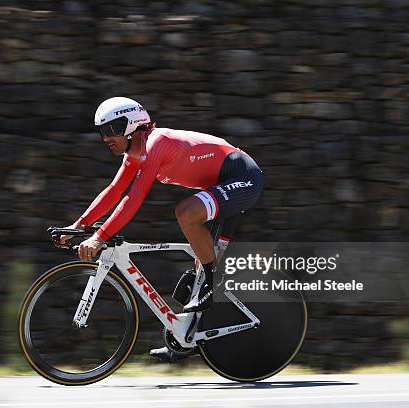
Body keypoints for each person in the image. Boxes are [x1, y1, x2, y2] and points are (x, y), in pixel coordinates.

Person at [60, 96, 264, 361]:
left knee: (186, 213)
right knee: (195, 274)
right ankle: (183, 340)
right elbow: (114, 191)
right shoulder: (135, 156)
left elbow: (133, 199)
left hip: (243, 177)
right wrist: (79, 226)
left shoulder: (156, 143)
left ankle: (215, 282)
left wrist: (99, 237)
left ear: (132, 125)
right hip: (221, 187)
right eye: (102, 132)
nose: (105, 138)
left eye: (111, 129)